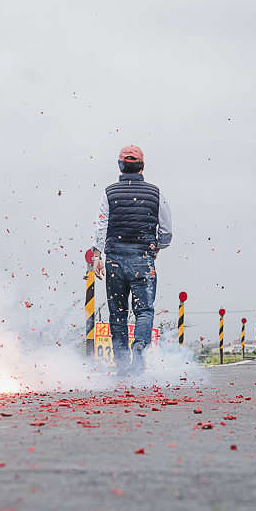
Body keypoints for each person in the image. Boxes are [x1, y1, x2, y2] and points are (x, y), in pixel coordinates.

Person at [91, 145, 172, 377]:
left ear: (120, 166)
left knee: (117, 313)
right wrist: (157, 247)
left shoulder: (108, 193)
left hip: (114, 260)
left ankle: (122, 365)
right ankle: (139, 347)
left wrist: (97, 256)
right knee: (144, 311)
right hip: (143, 261)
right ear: (142, 167)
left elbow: (101, 226)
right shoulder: (156, 193)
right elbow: (166, 230)